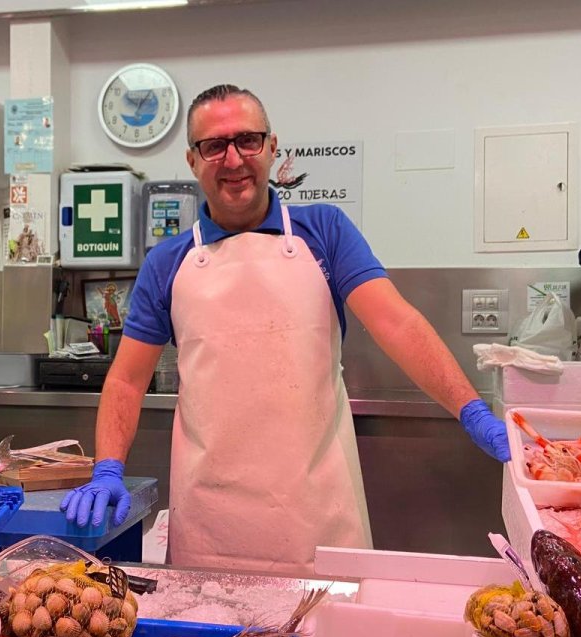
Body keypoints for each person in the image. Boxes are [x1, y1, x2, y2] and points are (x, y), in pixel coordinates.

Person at [61, 84, 511, 575]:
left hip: (319, 517)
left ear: (273, 148)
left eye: (247, 140)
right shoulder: (167, 262)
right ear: (193, 161)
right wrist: (108, 468)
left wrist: (472, 412)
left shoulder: (326, 231)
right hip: (211, 523)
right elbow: (127, 379)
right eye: (214, 146)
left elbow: (396, 323)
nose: (233, 159)